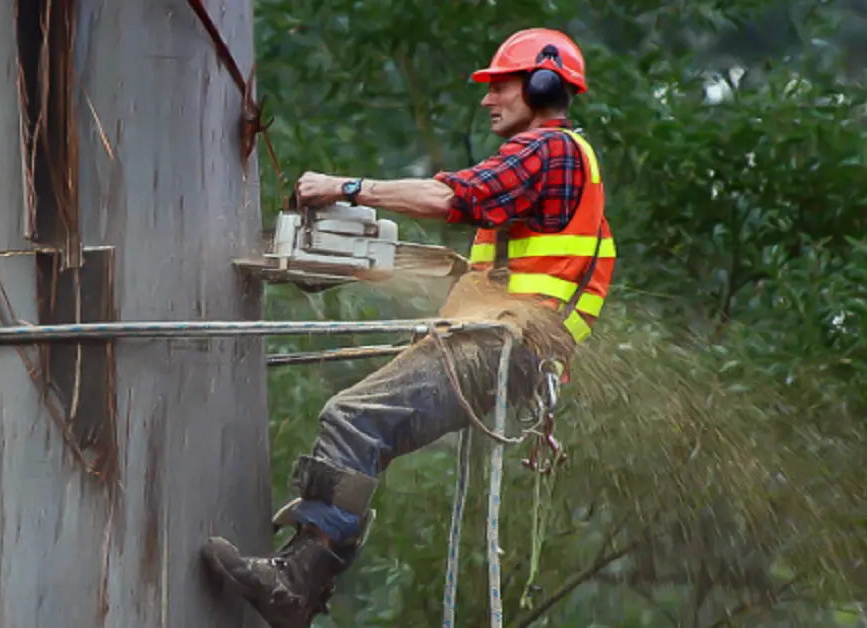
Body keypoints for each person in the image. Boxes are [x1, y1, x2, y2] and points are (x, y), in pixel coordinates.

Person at [201, 27, 617, 627]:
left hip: (500, 346)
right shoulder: (571, 165)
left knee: (354, 418)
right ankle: (302, 579)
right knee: (366, 428)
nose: (487, 99)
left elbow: (456, 196)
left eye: (500, 85)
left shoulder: (548, 151)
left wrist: (347, 188)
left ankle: (297, 580)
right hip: (507, 350)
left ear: (542, 83)